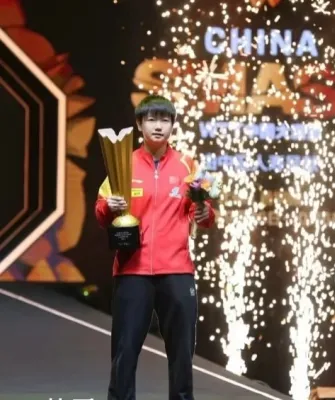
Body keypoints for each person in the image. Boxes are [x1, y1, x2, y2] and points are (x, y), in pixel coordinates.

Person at [95, 95, 216, 400]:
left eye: (164, 120)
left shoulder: (188, 165)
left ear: (173, 125)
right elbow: (101, 212)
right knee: (124, 350)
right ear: (140, 124)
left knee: (181, 352)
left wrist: (204, 212)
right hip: (132, 271)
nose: (158, 126)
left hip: (177, 271)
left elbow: (204, 214)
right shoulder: (123, 162)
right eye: (151, 119)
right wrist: (109, 206)